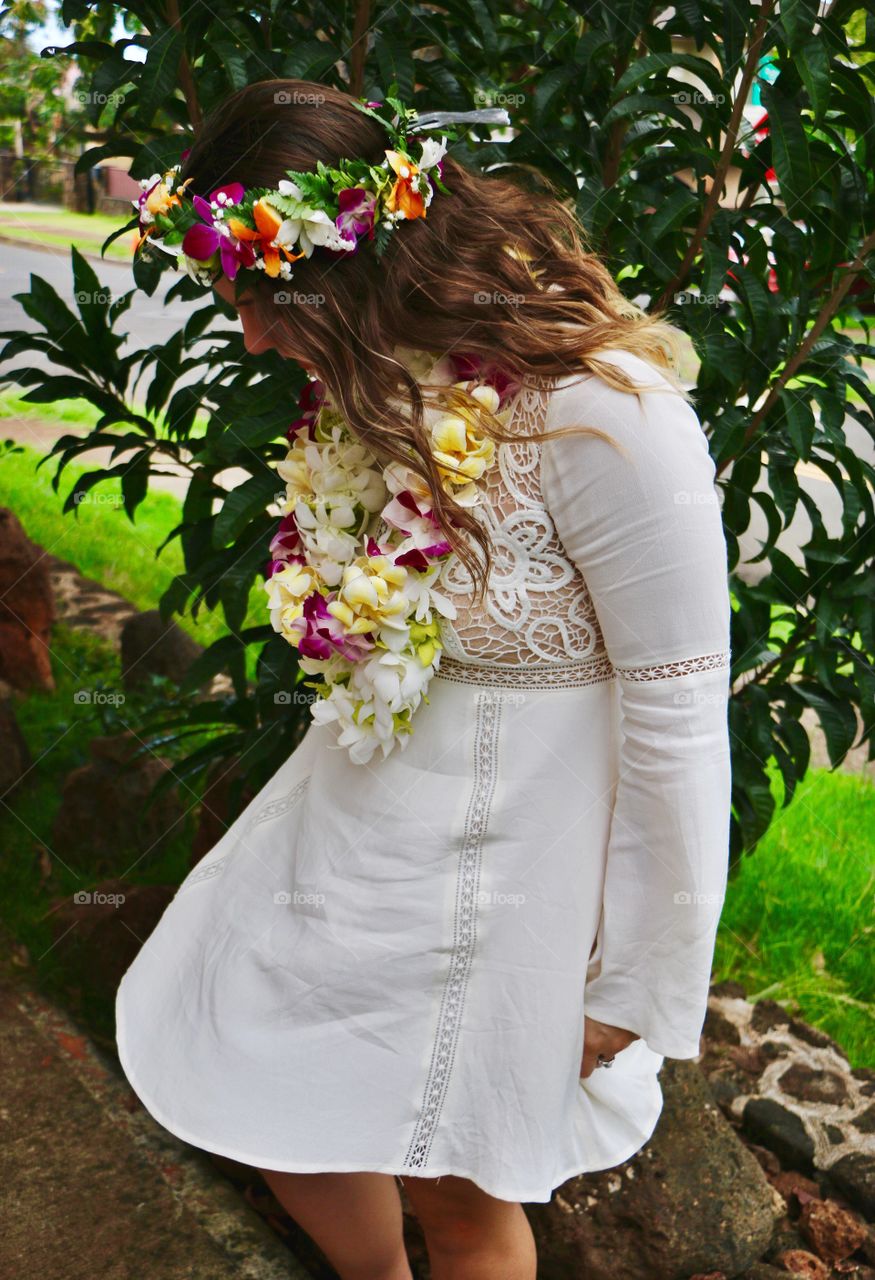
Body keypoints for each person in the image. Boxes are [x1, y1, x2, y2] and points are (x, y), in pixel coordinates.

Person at [115, 79, 732, 1280]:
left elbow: (676, 711)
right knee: (266, 1094)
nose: (248, 333)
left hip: (518, 886)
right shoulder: (379, 385)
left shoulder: (612, 416)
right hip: (357, 838)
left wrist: (635, 976)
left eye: (264, 293)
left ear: (354, 268)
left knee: (458, 1194)